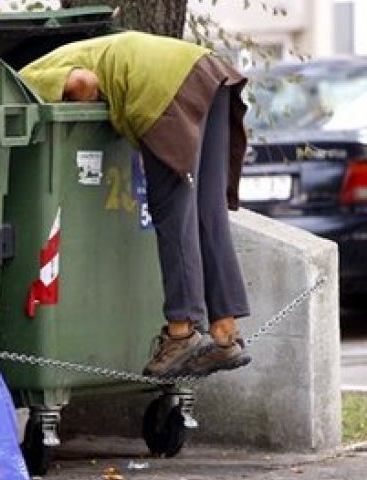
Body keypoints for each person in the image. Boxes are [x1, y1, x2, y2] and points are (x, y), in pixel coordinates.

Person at [19, 31, 251, 378]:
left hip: (164, 86)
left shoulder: (26, 78)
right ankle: (223, 333)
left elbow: (83, 83)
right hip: (208, 72)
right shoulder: (76, 49)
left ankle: (181, 332)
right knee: (207, 211)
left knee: (174, 211)